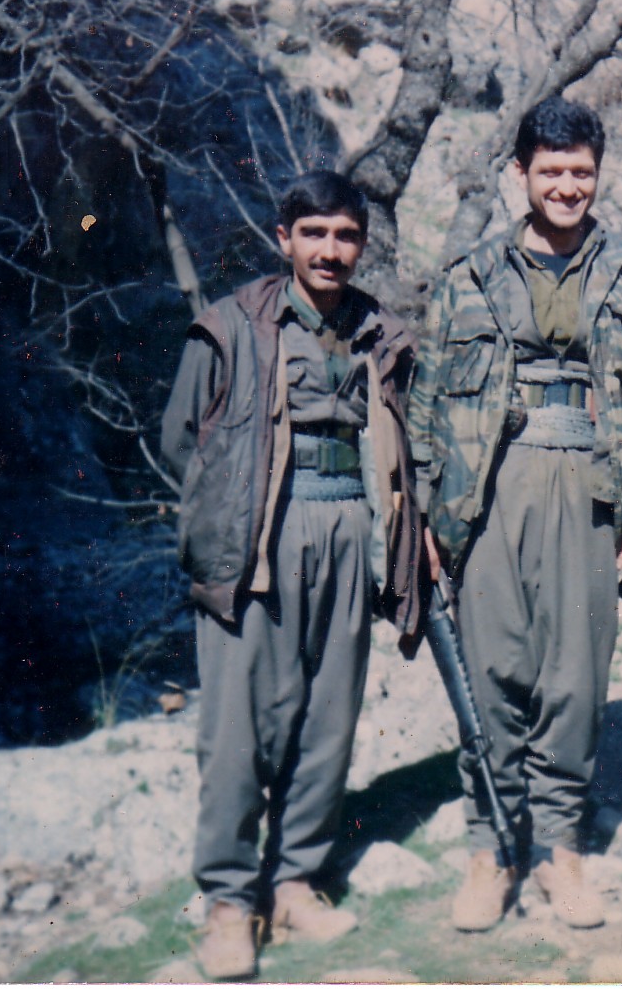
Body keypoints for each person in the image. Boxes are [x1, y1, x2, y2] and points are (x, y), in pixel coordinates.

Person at [407, 95, 622, 932]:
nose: (567, 187)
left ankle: (561, 845)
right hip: (488, 485)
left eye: (582, 173)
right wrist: (422, 514)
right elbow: (425, 405)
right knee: (493, 667)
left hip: (593, 485)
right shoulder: (468, 277)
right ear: (520, 173)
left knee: (575, 673)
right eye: (551, 172)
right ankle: (491, 844)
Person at [160, 171, 423, 979]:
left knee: (328, 715)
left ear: (362, 245)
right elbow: (182, 441)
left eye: (346, 236)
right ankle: (229, 901)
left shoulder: (381, 331)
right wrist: (231, 518)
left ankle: (296, 882)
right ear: (285, 239)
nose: (330, 251)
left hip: (351, 529)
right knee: (240, 724)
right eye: (314, 234)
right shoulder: (232, 325)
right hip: (259, 538)